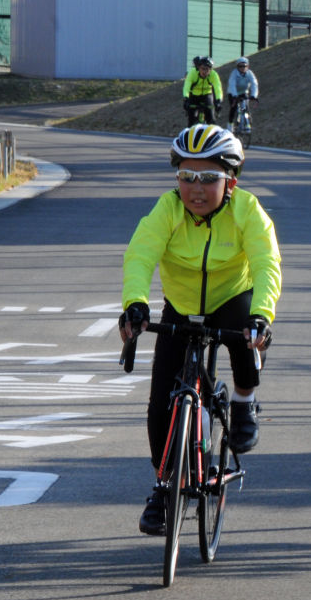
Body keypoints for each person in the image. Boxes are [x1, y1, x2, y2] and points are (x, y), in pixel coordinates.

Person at [120, 124, 282, 536]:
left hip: (232, 298)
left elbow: (266, 263)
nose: (195, 188)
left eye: (208, 178)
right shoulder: (168, 209)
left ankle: (244, 401)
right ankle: (163, 485)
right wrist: (135, 303)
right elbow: (140, 254)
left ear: (231, 182)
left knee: (245, 338)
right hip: (182, 305)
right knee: (160, 403)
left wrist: (262, 314)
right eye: (187, 177)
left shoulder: (247, 209)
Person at [182, 56, 224, 127]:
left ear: (210, 70)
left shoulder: (214, 75)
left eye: (207, 69)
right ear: (198, 68)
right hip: (194, 95)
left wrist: (218, 101)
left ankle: (211, 136)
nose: (204, 72)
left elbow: (218, 88)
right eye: (202, 69)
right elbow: (186, 86)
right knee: (191, 120)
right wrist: (186, 98)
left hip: (207, 95)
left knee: (211, 120)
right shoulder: (193, 73)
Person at [226, 57, 259, 126]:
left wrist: (254, 95)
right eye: (240, 66)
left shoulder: (250, 73)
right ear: (237, 67)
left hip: (243, 92)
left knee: (246, 107)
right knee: (233, 109)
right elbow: (232, 84)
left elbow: (254, 84)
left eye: (245, 66)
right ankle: (230, 125)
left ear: (248, 66)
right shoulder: (234, 74)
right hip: (232, 93)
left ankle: (248, 123)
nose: (243, 68)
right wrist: (235, 96)